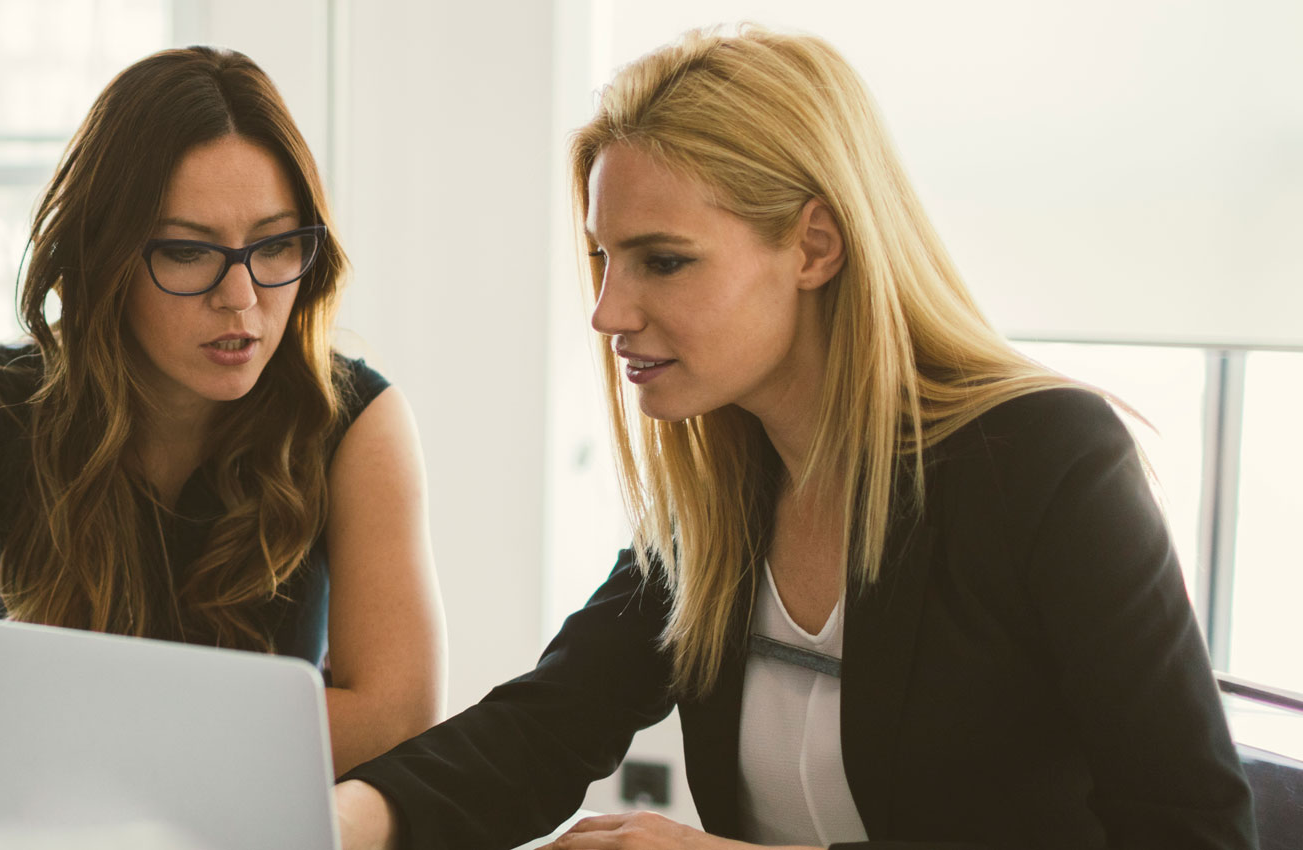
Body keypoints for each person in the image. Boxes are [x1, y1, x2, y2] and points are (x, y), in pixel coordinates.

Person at [334, 24, 1254, 850]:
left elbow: (1196, 836)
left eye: (664, 261)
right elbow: (541, 729)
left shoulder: (1044, 461)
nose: (608, 311)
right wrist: (335, 822)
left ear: (814, 246)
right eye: (602, 261)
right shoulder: (723, 496)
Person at [0, 46, 445, 776]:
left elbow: (397, 717)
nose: (241, 297)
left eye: (276, 244)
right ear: (104, 256)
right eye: (188, 253)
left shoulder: (355, 420)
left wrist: (51, 735)